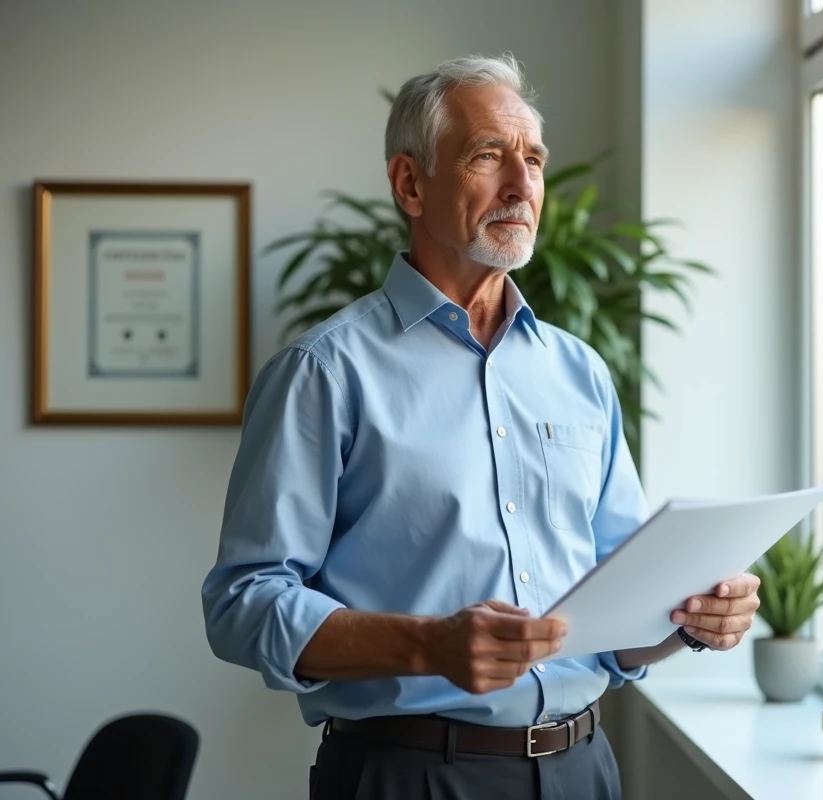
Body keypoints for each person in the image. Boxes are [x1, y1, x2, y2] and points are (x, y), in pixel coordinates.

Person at [200, 53, 760, 800]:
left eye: (532, 159)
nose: (523, 185)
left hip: (583, 769)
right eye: (488, 155)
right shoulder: (324, 370)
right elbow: (244, 605)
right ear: (409, 183)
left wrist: (692, 618)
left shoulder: (581, 373)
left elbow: (622, 615)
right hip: (408, 775)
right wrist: (427, 645)